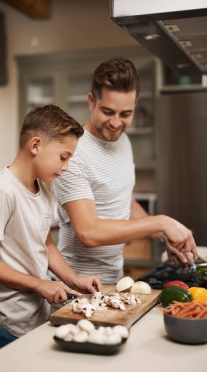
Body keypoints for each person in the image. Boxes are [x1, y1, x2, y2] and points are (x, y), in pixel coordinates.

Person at [54, 57, 198, 284]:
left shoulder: (124, 142)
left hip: (113, 280)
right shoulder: (73, 153)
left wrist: (165, 236)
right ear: (91, 101)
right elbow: (88, 232)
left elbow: (124, 203)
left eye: (125, 114)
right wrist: (160, 222)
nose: (115, 122)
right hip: (74, 286)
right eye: (108, 111)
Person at [0, 105, 101, 355]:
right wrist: (40, 285)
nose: (66, 167)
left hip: (37, 314)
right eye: (63, 157)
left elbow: (46, 245)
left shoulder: (45, 187)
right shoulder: (2, 191)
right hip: (6, 320)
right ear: (35, 145)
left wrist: (74, 279)